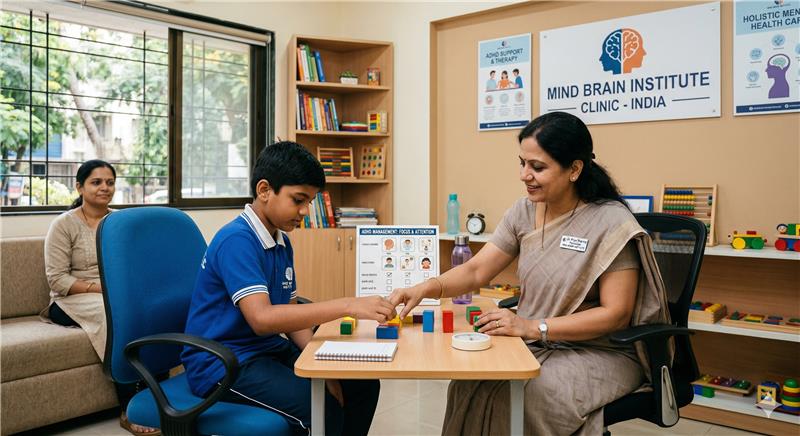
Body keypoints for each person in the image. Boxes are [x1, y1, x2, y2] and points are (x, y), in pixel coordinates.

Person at [389, 112, 670, 435]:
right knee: (469, 383)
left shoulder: (610, 222)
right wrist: (426, 287)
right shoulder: (523, 211)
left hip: (601, 350)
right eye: (522, 163)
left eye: (537, 167)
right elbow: (478, 268)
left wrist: (531, 326)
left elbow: (616, 315)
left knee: (530, 396)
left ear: (575, 169)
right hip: (536, 340)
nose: (525, 175)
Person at [181, 141, 395, 435]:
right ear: (265, 190)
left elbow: (291, 311)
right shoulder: (237, 241)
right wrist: (347, 304)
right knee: (322, 410)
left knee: (361, 385)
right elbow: (262, 319)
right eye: (299, 200)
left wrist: (321, 367)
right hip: (224, 363)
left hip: (265, 352)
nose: (306, 211)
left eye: (310, 202)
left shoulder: (281, 240)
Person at [43, 160, 159, 436]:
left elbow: (136, 266)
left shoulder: (121, 222)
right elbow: (57, 280)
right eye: (96, 182)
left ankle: (161, 397)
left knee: (155, 311)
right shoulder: (64, 224)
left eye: (109, 182)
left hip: (119, 294)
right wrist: (104, 290)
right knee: (119, 317)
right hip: (70, 300)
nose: (104, 188)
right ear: (80, 186)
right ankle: (129, 407)